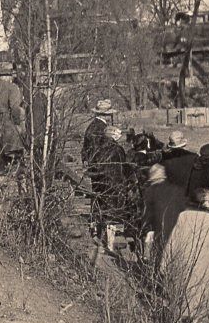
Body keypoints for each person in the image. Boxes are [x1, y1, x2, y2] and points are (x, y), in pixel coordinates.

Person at [161, 183, 209, 323]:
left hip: (181, 262)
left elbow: (172, 241)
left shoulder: (183, 216)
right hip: (202, 265)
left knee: (180, 297)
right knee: (199, 300)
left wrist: (164, 262)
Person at [86, 121, 133, 256]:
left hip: (99, 183)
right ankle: (110, 244)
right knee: (112, 213)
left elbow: (92, 166)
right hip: (114, 184)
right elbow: (124, 167)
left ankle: (98, 234)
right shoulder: (117, 149)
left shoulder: (97, 149)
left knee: (101, 209)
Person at [142, 161, 187, 269]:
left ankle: (157, 275)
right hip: (177, 227)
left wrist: (145, 229)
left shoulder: (150, 191)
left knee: (158, 258)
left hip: (159, 228)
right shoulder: (178, 190)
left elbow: (147, 214)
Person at [80, 98, 118, 167]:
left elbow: (86, 146)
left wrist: (85, 159)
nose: (111, 117)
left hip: (91, 161)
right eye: (110, 114)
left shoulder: (92, 125)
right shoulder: (103, 128)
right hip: (101, 163)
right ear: (105, 115)